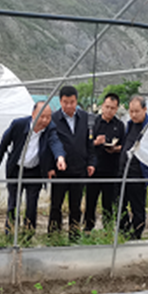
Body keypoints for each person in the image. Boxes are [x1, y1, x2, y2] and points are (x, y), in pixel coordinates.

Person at [0, 102, 67, 233]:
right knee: (13, 203)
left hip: (35, 171)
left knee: (32, 205)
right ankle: (10, 232)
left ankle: (28, 233)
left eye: (48, 117)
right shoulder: (19, 125)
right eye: (42, 116)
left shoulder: (50, 128)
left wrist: (60, 157)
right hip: (16, 170)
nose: (45, 120)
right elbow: (5, 141)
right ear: (33, 114)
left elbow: (55, 143)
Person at [49, 85, 95, 239]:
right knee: (56, 205)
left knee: (75, 206)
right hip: (60, 171)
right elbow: (49, 145)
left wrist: (91, 163)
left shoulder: (84, 118)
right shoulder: (54, 119)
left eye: (72, 102)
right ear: (60, 101)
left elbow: (89, 144)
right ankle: (54, 236)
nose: (69, 106)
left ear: (77, 101)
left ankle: (74, 236)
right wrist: (51, 167)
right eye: (65, 102)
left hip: (79, 169)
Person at [84, 92, 125, 232]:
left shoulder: (119, 126)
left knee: (108, 202)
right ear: (102, 106)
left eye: (112, 108)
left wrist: (116, 148)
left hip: (111, 169)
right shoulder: (93, 123)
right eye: (107, 107)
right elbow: (85, 145)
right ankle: (88, 227)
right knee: (91, 200)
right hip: (94, 169)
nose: (109, 110)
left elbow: (124, 146)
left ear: (117, 108)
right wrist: (96, 142)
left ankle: (108, 228)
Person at [118, 95, 148, 240]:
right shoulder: (130, 125)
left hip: (138, 174)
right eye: (131, 111)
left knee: (137, 206)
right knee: (120, 203)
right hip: (123, 172)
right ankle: (124, 231)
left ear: (144, 109)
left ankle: (136, 234)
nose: (133, 114)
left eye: (136, 111)